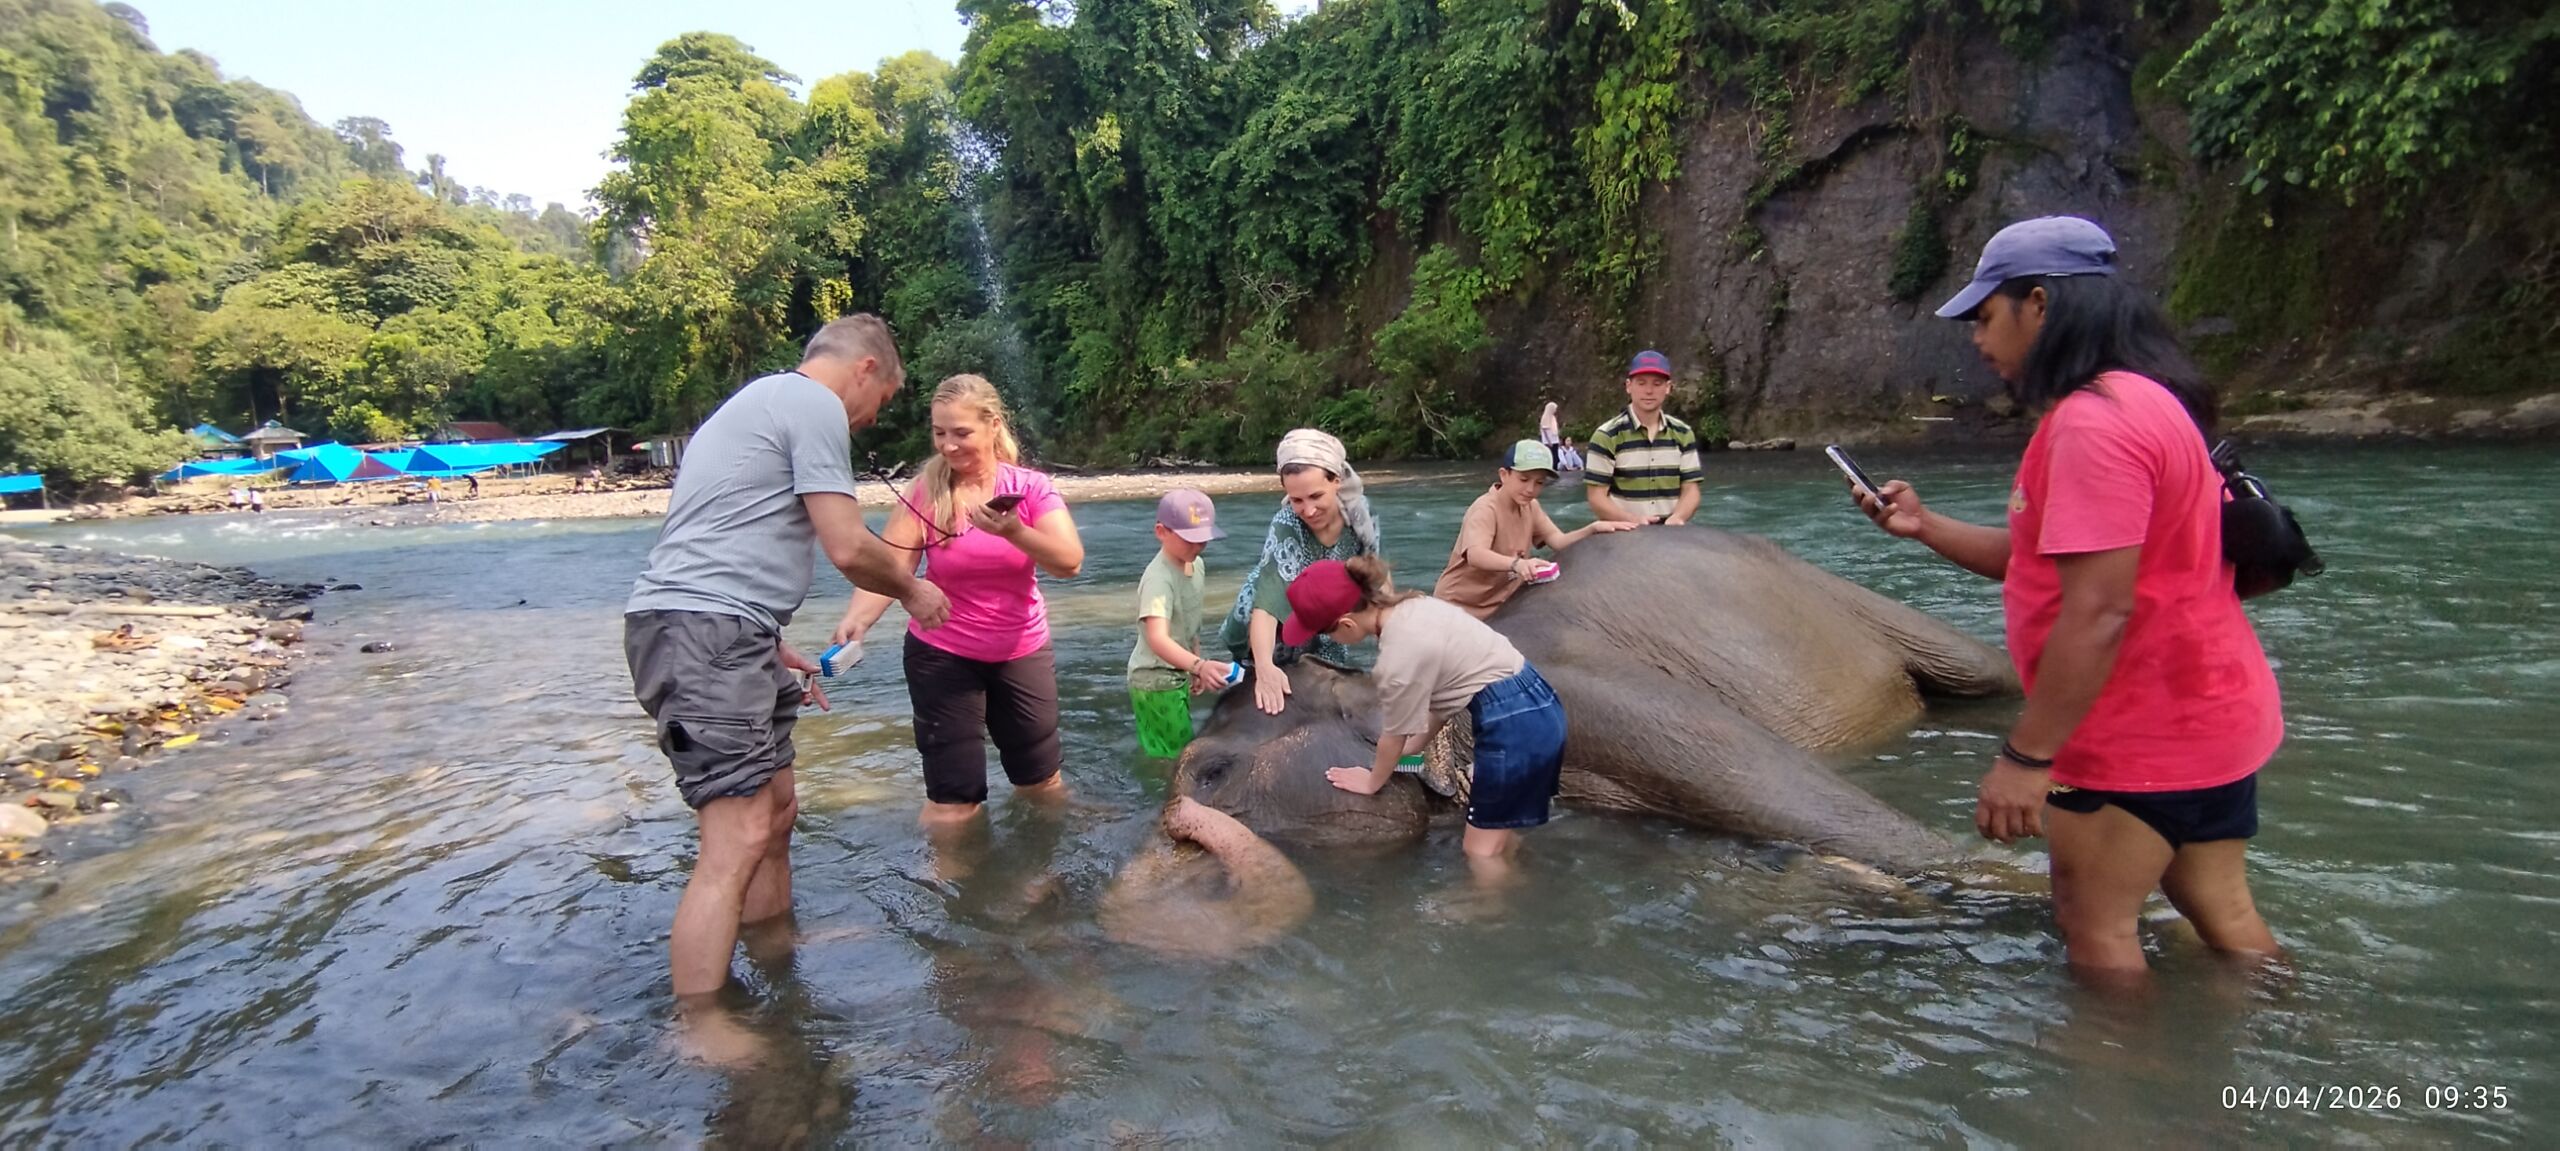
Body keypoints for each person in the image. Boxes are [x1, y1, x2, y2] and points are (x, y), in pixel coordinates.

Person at [1853, 216, 2285, 988]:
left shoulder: (2091, 425)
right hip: (2214, 721)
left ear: (2041, 305)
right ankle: (2310, 1074)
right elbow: (2048, 562)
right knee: (2229, 922)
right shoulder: (2154, 401)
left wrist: (2027, 758)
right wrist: (1924, 527)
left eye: (1987, 316)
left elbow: (2098, 610)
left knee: (2098, 936)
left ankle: (2121, 1103)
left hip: (2131, 740)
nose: (1978, 341)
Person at [625, 313, 952, 1012]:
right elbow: (845, 544)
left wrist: (766, 640)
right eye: (884, 400)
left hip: (725, 630)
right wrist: (914, 588)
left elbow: (715, 532)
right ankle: (701, 1023)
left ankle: (775, 958)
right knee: (735, 833)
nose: (870, 420)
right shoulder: (810, 403)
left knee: (775, 813)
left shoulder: (760, 403)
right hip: (704, 634)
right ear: (866, 369)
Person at [834, 374, 1084, 827]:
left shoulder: (1030, 488)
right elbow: (892, 567)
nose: (948, 446)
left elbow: (1069, 563)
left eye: (961, 433)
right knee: (954, 802)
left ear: (992, 426)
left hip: (1021, 650)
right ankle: (952, 893)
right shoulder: (925, 492)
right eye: (939, 432)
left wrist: (1016, 532)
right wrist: (858, 619)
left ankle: (1048, 878)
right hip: (943, 655)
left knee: (1041, 783)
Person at [1296, 557, 1566, 867]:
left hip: (1512, 725)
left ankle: (1492, 911)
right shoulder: (1415, 605)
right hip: (1541, 706)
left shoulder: (1399, 651)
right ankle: (1516, 882)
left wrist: (1372, 780)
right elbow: (1446, 697)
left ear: (1346, 623)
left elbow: (1394, 733)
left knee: (1479, 854)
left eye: (1325, 633)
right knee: (1498, 832)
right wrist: (1414, 751)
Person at [1217, 428, 1382, 714]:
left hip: (1325, 616)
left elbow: (1374, 579)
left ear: (1337, 481)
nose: (1308, 510)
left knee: (1329, 690)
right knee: (1271, 693)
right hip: (1275, 619)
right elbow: (1267, 604)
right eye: (1296, 500)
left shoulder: (1359, 518)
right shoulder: (1287, 524)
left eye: (1316, 496)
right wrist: (1266, 667)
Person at [1434, 441, 1635, 619]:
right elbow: (1476, 554)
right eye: (1524, 479)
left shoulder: (1530, 506)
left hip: (1499, 605)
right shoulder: (1485, 509)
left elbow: (1558, 541)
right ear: (1504, 475)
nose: (1531, 489)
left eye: (1539, 482)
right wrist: (1518, 565)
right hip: (1459, 606)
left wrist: (1593, 528)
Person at [1128, 489, 1235, 758]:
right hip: (1154, 679)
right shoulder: (1158, 580)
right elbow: (1158, 638)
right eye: (1190, 539)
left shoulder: (1195, 565)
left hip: (1177, 671)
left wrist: (1194, 665)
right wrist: (1197, 665)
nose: (1198, 547)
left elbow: (1190, 620)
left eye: (1204, 540)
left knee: (1178, 748)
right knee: (1174, 757)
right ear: (1161, 531)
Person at [1584, 350, 1704, 526]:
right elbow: (1596, 497)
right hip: (1624, 532)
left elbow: (1691, 490)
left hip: (1673, 533)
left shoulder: (1683, 433)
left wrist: (1678, 517)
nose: (1649, 391)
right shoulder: (1607, 435)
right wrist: (1634, 520)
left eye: (1657, 384)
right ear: (1628, 386)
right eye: (1641, 383)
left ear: (1668, 387)